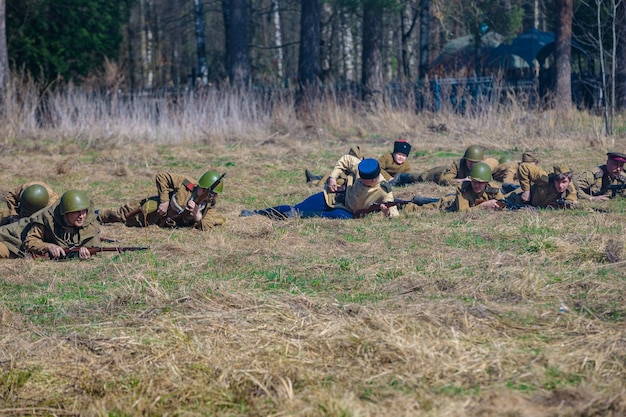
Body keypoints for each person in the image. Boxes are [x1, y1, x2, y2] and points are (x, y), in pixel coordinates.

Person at [242, 157, 399, 219]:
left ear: (374, 179)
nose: (361, 182)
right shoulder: (361, 168)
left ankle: (297, 215)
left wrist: (387, 212)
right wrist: (332, 177)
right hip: (334, 197)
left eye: (365, 182)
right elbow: (345, 160)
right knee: (295, 207)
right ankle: (257, 213)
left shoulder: (384, 189)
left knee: (341, 218)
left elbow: (394, 214)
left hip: (347, 212)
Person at [97, 170, 226, 230]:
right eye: (208, 192)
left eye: (215, 195)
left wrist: (197, 215)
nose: (211, 196)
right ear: (200, 186)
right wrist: (164, 201)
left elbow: (207, 227)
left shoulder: (210, 206)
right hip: (158, 210)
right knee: (124, 215)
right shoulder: (187, 183)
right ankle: (97, 216)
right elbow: (162, 177)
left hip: (168, 222)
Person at [0, 190, 101, 259]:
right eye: (76, 212)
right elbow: (30, 242)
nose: (81, 216)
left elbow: (94, 246)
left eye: (84, 211)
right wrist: (48, 246)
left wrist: (85, 252)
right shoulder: (47, 219)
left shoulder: (88, 222)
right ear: (65, 213)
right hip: (12, 238)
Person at [402, 162, 504, 213]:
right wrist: (484, 205)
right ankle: (401, 205)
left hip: (455, 199)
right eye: (474, 182)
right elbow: (462, 211)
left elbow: (503, 206)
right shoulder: (463, 188)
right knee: (425, 208)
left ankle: (419, 199)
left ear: (486, 182)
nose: (476, 185)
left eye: (480, 183)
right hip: (450, 204)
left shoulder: (494, 189)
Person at [391, 144, 494, 186]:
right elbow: (444, 180)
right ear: (465, 159)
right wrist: (462, 181)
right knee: (421, 177)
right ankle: (401, 177)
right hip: (440, 173)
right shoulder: (458, 165)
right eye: (470, 161)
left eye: (475, 162)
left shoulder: (482, 168)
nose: (472, 164)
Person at [504, 165, 577, 209]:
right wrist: (526, 190)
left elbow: (572, 200)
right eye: (557, 181)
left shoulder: (569, 189)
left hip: (533, 206)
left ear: (569, 181)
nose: (561, 186)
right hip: (520, 196)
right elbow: (523, 167)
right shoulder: (544, 179)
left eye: (564, 182)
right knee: (501, 200)